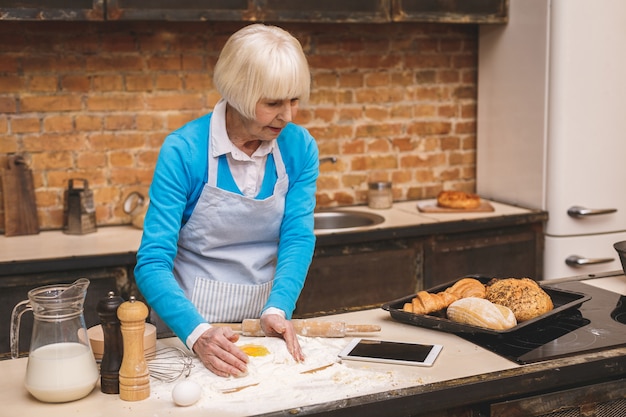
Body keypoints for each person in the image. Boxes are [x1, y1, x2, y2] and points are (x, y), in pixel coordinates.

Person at [134, 23, 319, 377]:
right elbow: (152, 262)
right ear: (238, 93)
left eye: (294, 100)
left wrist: (278, 308)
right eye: (273, 103)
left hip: (264, 326)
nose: (288, 115)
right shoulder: (184, 151)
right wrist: (198, 333)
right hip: (188, 329)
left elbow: (297, 237)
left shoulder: (299, 147)